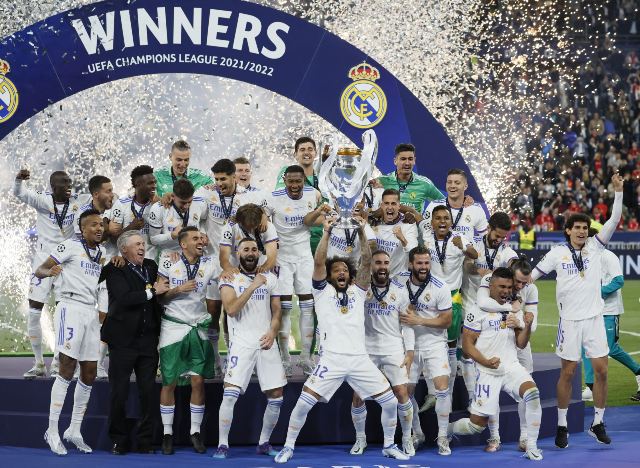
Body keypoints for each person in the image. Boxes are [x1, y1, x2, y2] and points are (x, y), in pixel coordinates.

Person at [274, 218, 408, 463]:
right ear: (329, 275)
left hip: (359, 359)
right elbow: (317, 262)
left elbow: (367, 260)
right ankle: (288, 447)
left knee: (390, 402)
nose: (342, 272)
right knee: (303, 404)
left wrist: (361, 232)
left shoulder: (358, 291)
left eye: (345, 270)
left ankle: (389, 445)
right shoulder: (321, 291)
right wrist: (326, 233)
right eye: (336, 270)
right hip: (331, 360)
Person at [531, 173, 624, 448]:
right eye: (577, 228)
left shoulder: (596, 248)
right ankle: (562, 426)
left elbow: (614, 220)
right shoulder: (557, 253)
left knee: (602, 371)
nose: (583, 231)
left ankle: (598, 422)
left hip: (595, 319)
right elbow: (533, 275)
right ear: (568, 230)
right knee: (568, 373)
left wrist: (618, 192)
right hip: (570, 322)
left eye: (585, 227)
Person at [451, 268, 542, 461]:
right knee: (476, 426)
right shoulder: (477, 311)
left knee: (533, 394)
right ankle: (448, 430)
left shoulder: (513, 310)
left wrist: (525, 326)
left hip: (511, 367)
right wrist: (485, 361)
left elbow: (521, 343)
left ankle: (532, 446)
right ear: (490, 286)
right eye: (501, 286)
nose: (505, 290)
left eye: (509, 287)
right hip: (487, 371)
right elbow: (467, 346)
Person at [35, 209, 106, 455]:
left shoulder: (101, 253)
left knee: (89, 371)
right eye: (94, 225)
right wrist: (50, 271)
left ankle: (74, 430)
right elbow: (40, 270)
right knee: (66, 367)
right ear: (82, 228)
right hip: (70, 306)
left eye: (101, 225)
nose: (99, 229)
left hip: (90, 310)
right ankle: (52, 430)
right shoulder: (69, 246)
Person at [213, 238, 286, 459]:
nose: (251, 253)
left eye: (254, 249)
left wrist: (273, 331)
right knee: (230, 394)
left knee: (276, 394)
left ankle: (264, 442)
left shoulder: (271, 278)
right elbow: (232, 309)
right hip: (241, 343)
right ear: (238, 253)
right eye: (246, 249)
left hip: (266, 342)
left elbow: (276, 311)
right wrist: (253, 286)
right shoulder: (228, 278)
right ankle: (222, 444)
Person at [100, 231, 168, 455]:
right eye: (137, 244)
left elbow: (164, 273)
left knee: (148, 392)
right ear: (124, 250)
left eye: (143, 243)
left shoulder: (150, 265)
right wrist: (151, 291)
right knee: (119, 392)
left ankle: (145, 441)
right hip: (122, 341)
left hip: (148, 340)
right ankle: (118, 439)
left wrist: (174, 259)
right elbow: (124, 298)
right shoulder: (114, 268)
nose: (142, 247)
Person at [13, 169, 85, 378]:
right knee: (34, 310)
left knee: (64, 312)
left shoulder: (77, 203)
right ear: (54, 188)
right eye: (65, 183)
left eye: (70, 181)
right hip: (43, 262)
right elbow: (20, 193)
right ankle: (38, 363)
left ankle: (56, 362)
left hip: (67, 265)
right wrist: (19, 180)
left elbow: (102, 200)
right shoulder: (43, 201)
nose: (70, 185)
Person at [157, 227, 218, 455]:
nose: (201, 240)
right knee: (169, 381)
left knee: (198, 381)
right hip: (173, 326)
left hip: (197, 326)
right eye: (195, 238)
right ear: (183, 244)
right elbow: (159, 296)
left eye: (202, 237)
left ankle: (195, 432)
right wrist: (178, 289)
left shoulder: (209, 263)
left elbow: (230, 272)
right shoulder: (167, 261)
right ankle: (167, 433)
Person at [196, 158, 260, 373]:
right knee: (213, 311)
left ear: (234, 177)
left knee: (237, 313)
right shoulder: (205, 193)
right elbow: (193, 218)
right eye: (216, 179)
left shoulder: (247, 197)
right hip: (215, 261)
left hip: (241, 263)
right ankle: (214, 359)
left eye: (223, 179)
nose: (219, 183)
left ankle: (236, 358)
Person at [265, 165, 330, 375]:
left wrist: (324, 215)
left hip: (304, 257)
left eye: (298, 181)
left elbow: (312, 221)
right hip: (282, 258)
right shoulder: (273, 197)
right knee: (283, 309)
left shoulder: (314, 194)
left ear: (304, 180)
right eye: (290, 181)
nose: (294, 185)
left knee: (307, 307)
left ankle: (305, 357)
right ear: (284, 180)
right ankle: (284, 358)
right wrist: (270, 254)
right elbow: (263, 225)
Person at [349, 250, 415, 457]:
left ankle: (406, 438)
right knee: (358, 396)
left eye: (386, 263)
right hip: (366, 349)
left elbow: (408, 324)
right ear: (371, 265)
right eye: (378, 263)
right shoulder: (359, 289)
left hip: (393, 348)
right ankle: (360, 439)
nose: (382, 267)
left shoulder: (400, 290)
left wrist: (410, 351)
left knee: (402, 394)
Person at [476, 257, 539, 452]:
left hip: (518, 340)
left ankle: (524, 436)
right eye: (517, 281)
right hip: (493, 339)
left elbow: (532, 325)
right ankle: (494, 437)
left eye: (524, 283)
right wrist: (509, 309)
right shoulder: (493, 279)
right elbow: (482, 302)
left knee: (526, 391)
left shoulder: (531, 289)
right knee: (492, 388)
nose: (520, 286)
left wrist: (519, 322)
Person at [419, 205, 477, 409]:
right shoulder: (425, 238)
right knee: (427, 345)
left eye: (446, 218)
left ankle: (448, 398)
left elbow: (475, 254)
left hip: (452, 298)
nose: (442, 222)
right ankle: (433, 393)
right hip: (429, 298)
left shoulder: (459, 238)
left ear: (451, 222)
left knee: (451, 347)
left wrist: (463, 247)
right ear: (432, 222)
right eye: (438, 218)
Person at [458, 212, 518, 406]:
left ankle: (489, 393)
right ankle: (470, 396)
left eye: (503, 237)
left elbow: (512, 266)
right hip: (470, 304)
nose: (499, 240)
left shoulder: (506, 251)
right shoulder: (474, 245)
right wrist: (480, 271)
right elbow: (467, 266)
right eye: (496, 235)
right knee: (468, 352)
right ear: (489, 228)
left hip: (492, 308)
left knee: (486, 352)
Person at [397, 247, 453, 455]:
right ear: (411, 264)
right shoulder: (398, 282)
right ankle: (417, 433)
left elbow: (446, 321)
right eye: (419, 263)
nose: (423, 267)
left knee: (442, 388)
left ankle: (443, 437)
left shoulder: (440, 286)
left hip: (434, 343)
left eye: (426, 263)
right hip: (407, 346)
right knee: (406, 391)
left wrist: (418, 319)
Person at [581, 248, 640, 402]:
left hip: (610, 310)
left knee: (611, 348)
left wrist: (598, 292)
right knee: (586, 346)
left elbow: (618, 280)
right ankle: (591, 386)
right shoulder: (585, 257)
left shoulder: (608, 256)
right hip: (592, 310)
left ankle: (639, 371)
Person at [77, 175, 115, 380]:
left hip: (105, 270)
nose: (112, 194)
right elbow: (83, 241)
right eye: (108, 191)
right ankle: (73, 362)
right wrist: (108, 229)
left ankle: (98, 363)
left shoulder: (114, 208)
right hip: (86, 272)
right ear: (96, 194)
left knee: (104, 317)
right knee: (85, 318)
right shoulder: (84, 214)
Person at [274, 137, 323, 254]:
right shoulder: (288, 171)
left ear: (315, 153)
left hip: (318, 238)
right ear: (295, 154)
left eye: (310, 149)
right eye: (302, 150)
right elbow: (282, 194)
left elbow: (325, 208)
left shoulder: (322, 178)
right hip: (292, 239)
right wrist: (312, 191)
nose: (306, 152)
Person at [148, 178, 208, 260]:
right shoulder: (159, 209)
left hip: (194, 252)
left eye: (189, 202)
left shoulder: (200, 204)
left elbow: (205, 219)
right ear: (173, 196)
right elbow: (153, 240)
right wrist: (172, 235)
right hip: (170, 253)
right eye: (182, 203)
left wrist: (203, 232)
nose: (186, 206)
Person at [377, 143, 444, 213]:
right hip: (387, 223)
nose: (407, 163)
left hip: (414, 224)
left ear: (414, 161)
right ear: (395, 161)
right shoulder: (382, 181)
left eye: (410, 159)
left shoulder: (425, 184)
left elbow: (444, 204)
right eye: (403, 159)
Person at [421, 169, 488, 238]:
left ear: (465, 186)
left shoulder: (476, 209)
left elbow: (485, 237)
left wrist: (471, 245)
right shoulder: (434, 206)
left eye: (457, 183)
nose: (452, 186)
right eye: (449, 182)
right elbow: (425, 232)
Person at [110, 165, 158, 260]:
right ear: (137, 184)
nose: (154, 186)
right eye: (150, 183)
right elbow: (113, 240)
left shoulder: (158, 204)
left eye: (154, 182)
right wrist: (130, 228)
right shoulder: (122, 203)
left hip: (152, 262)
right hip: (127, 262)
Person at [219, 203, 278, 274]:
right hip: (235, 268)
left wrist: (263, 269)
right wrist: (230, 269)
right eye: (248, 227)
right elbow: (223, 258)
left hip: (259, 268)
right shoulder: (229, 228)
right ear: (239, 222)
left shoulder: (268, 226)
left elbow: (272, 258)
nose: (250, 230)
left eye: (253, 226)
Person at [372, 189, 419, 277]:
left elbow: (414, 253)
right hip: (375, 276)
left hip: (397, 278)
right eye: (386, 203)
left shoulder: (408, 224)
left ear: (399, 206)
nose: (390, 207)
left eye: (393, 203)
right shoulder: (374, 222)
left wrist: (402, 239)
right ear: (381, 205)